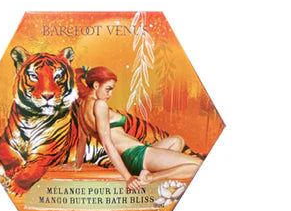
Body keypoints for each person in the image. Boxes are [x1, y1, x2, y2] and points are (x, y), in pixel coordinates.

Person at [74, 66, 202, 191]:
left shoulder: (82, 108)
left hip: (137, 154)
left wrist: (77, 166)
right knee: (199, 166)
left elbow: (82, 141)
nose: (110, 94)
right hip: (137, 155)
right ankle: (150, 177)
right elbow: (107, 144)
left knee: (177, 141)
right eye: (108, 89)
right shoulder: (100, 104)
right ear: (96, 85)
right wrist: (128, 178)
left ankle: (147, 170)